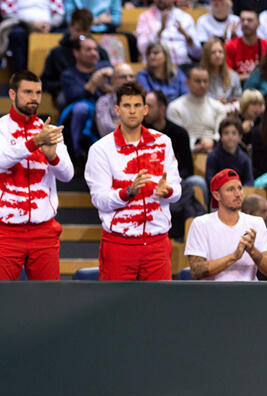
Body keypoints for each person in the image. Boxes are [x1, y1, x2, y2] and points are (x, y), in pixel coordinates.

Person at [85, 81, 182, 280]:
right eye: (127, 106)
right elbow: (99, 200)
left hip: (157, 243)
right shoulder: (101, 150)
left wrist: (168, 191)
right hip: (119, 243)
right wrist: (127, 192)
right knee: (115, 309)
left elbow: (177, 189)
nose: (132, 111)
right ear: (117, 110)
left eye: (137, 106)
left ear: (145, 109)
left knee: (158, 308)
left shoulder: (163, 142)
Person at [0, 71, 74, 280]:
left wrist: (52, 157)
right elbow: (2, 159)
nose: (34, 98)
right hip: (7, 231)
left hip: (44, 231)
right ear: (12, 94)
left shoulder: (49, 130)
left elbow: (67, 175)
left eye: (38, 92)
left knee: (48, 301)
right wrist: (35, 143)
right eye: (27, 92)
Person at [185, 169, 267, 280]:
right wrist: (234, 257)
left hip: (248, 293)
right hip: (213, 294)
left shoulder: (256, 223)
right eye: (231, 189)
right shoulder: (200, 224)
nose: (238, 194)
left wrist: (253, 251)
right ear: (217, 195)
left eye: (240, 188)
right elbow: (197, 270)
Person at [143, 89, 205, 240]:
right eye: (144, 106)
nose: (146, 111)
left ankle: (199, 229)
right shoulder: (139, 131)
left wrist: (171, 179)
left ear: (162, 108)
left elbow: (187, 168)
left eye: (150, 106)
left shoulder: (179, 133)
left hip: (175, 179)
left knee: (197, 182)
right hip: (146, 180)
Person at [41, 9, 111, 104]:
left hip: (96, 90)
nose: (81, 35)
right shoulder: (56, 53)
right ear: (70, 26)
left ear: (90, 28)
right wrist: (68, 83)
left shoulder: (100, 52)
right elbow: (46, 82)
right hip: (67, 92)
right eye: (78, 30)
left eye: (85, 31)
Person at [59, 35, 112, 159]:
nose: (94, 53)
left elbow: (119, 89)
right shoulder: (68, 74)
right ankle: (78, 155)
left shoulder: (106, 67)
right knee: (81, 108)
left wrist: (106, 84)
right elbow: (73, 96)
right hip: (81, 114)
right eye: (88, 50)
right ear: (76, 53)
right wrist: (93, 81)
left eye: (95, 49)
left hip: (106, 108)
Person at [166, 66, 227, 154]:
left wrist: (213, 142)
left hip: (214, 151)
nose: (202, 85)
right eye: (198, 81)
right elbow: (176, 138)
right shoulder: (175, 107)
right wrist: (194, 147)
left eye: (205, 81)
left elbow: (221, 134)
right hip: (184, 154)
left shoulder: (218, 107)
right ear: (187, 82)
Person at [1, 0, 66, 71]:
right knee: (17, 34)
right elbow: (7, 13)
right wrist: (31, 24)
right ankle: (21, 76)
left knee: (66, 35)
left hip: (49, 27)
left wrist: (48, 25)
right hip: (22, 25)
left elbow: (59, 13)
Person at [135, 0, 200, 67]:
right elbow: (143, 49)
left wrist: (186, 35)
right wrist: (160, 30)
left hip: (183, 66)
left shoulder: (185, 17)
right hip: (157, 68)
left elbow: (197, 53)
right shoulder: (145, 17)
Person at [206, 117, 255, 188]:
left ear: (240, 137)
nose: (230, 137)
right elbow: (210, 178)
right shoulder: (213, 156)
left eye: (234, 133)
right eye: (226, 133)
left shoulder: (245, 158)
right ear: (221, 137)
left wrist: (241, 189)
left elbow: (249, 180)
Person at [225, 8, 267, 84]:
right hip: (238, 87)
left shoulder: (266, 45)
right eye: (242, 20)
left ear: (258, 24)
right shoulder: (230, 45)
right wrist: (250, 76)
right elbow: (227, 76)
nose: (245, 23)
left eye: (250, 20)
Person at [95, 63, 135, 137]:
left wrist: (119, 123)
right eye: (123, 77)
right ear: (112, 81)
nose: (129, 80)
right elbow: (106, 131)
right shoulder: (103, 102)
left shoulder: (144, 99)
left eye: (131, 76)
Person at [200, 37, 242, 104]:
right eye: (213, 52)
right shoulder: (200, 76)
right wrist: (215, 102)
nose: (218, 55)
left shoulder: (233, 76)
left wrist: (233, 102)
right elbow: (198, 97)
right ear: (207, 56)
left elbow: (238, 97)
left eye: (220, 52)